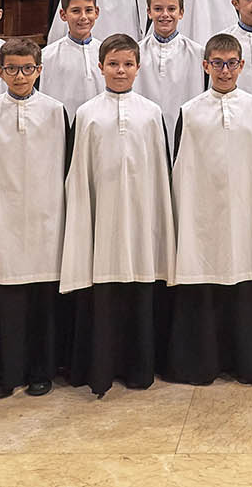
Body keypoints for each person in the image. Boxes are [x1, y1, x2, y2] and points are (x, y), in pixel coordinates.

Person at [61, 34, 175, 395]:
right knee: (104, 293)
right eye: (113, 64)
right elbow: (79, 174)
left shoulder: (151, 112)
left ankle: (140, 370)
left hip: (141, 219)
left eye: (127, 64)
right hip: (103, 220)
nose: (120, 70)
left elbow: (160, 171)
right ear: (100, 67)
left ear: (138, 67)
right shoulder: (87, 113)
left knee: (140, 287)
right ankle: (101, 369)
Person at [164, 34, 252, 385]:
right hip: (203, 217)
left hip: (247, 212)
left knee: (245, 276)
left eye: (231, 63)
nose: (224, 71)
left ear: (242, 66)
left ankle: (249, 364)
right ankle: (200, 364)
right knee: (204, 279)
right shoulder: (190, 111)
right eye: (217, 63)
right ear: (205, 65)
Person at [0, 40, 71, 399]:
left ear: (39, 71)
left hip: (46, 218)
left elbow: (65, 168)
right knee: (7, 302)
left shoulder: (56, 111)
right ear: (0, 71)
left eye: (27, 68)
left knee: (44, 302)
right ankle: (6, 372)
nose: (19, 75)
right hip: (4, 218)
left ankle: (41, 371)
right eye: (11, 68)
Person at [137, 0, 206, 127]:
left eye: (171, 9)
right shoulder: (136, 53)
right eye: (158, 9)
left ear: (181, 13)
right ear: (149, 13)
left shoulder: (198, 53)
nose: (165, 14)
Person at [39, 0, 104, 118]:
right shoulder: (46, 56)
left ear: (96, 12)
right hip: (62, 127)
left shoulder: (106, 53)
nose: (83, 17)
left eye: (88, 10)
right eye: (76, 11)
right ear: (63, 14)